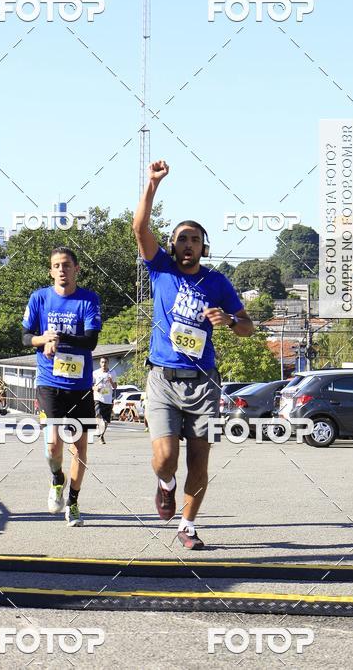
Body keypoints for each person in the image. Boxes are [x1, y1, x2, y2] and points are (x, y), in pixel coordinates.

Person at [133, 160, 254, 550]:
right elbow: (139, 228)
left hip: (204, 383)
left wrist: (229, 320)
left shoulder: (217, 282)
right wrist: (152, 185)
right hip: (163, 379)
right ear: (172, 245)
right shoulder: (161, 270)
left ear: (204, 247)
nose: (188, 245)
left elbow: (247, 325)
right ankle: (165, 484)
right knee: (166, 457)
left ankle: (187, 525)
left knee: (199, 461)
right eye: (182, 238)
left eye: (195, 240)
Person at [22, 247, 102, 527]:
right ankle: (57, 478)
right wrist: (42, 340)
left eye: (66, 265)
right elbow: (25, 337)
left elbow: (90, 341)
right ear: (50, 271)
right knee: (53, 445)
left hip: (80, 385)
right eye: (56, 265)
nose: (61, 270)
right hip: (49, 381)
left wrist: (58, 336)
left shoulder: (88, 300)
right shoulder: (39, 298)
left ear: (76, 269)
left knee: (79, 448)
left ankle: (74, 502)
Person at [93, 356, 116, 444]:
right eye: (102, 362)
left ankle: (101, 435)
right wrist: (95, 388)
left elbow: (115, 386)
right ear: (100, 363)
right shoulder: (95, 373)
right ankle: (99, 427)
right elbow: (91, 385)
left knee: (106, 420)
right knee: (98, 414)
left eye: (105, 362)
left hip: (107, 398)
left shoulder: (112, 373)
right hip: (98, 397)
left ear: (108, 363)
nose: (104, 364)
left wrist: (111, 381)